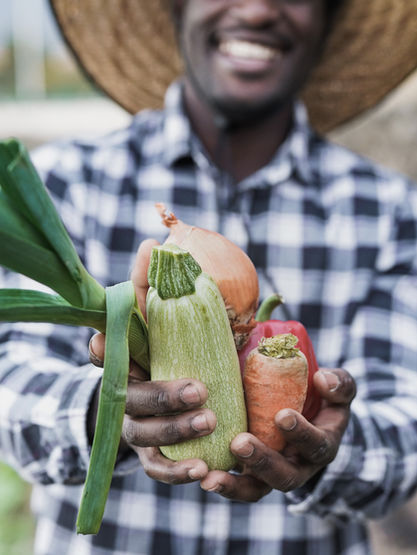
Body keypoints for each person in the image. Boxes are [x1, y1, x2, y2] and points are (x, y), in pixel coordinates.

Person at [1, 0, 417, 553]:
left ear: (327, 19)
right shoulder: (68, 183)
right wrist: (109, 412)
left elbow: (407, 431)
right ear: (175, 8)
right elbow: (10, 388)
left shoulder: (390, 212)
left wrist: (333, 452)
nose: (256, 8)